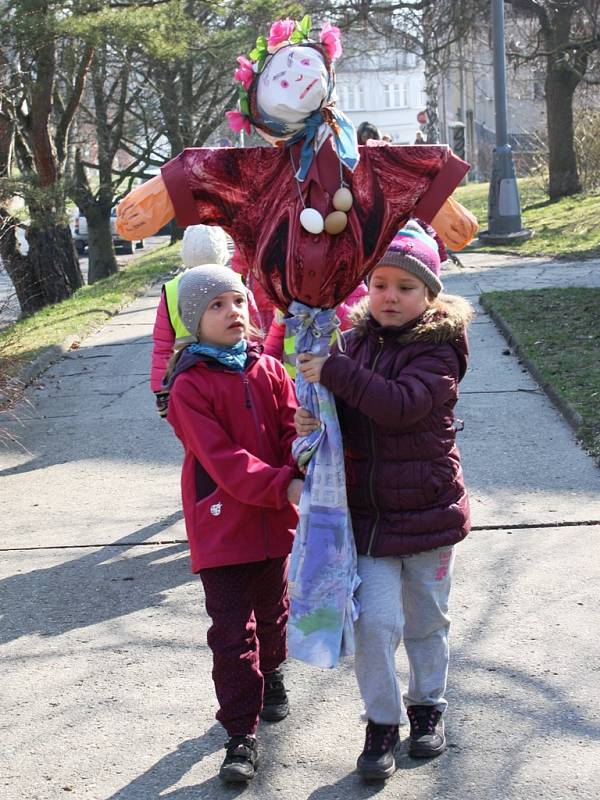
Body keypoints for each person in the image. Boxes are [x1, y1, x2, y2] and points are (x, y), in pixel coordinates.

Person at [295, 221, 473, 781]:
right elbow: (347, 412)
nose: (390, 297)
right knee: (373, 626)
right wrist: (313, 419)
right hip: (368, 521)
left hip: (428, 517)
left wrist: (339, 373)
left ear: (430, 296)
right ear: (367, 289)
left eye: (406, 287)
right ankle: (381, 721)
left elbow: (399, 407)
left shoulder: (440, 351)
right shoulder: (352, 344)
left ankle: (427, 710)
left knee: (425, 622)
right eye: (380, 284)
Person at [164, 264, 304, 783]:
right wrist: (281, 485)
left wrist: (304, 458)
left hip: (273, 523)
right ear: (194, 322)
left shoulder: (268, 369)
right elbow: (222, 460)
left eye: (238, 302)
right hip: (222, 526)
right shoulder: (189, 387)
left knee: (273, 613)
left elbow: (291, 426)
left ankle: (273, 672)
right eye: (217, 306)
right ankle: (239, 733)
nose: (233, 313)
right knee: (230, 632)